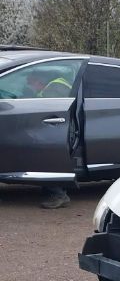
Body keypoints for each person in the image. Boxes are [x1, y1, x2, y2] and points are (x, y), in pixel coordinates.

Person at [26, 70, 73, 209]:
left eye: (30, 83)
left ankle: (58, 195)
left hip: (56, 130)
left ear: (39, 81)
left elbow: (49, 111)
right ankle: (54, 190)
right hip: (59, 129)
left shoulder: (54, 89)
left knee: (43, 158)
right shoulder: (55, 85)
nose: (29, 86)